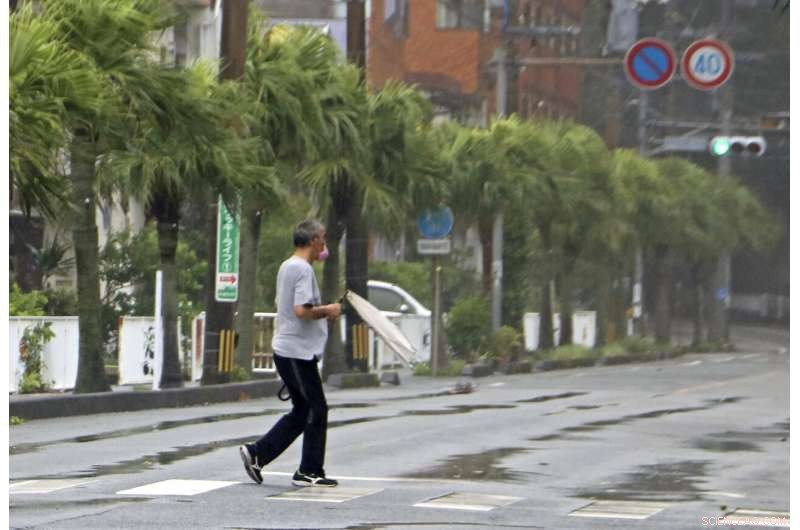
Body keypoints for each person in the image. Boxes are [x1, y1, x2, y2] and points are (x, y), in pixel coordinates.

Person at [239, 219, 342, 487]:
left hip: (293, 350)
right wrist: (328, 310)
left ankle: (257, 453)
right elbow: (301, 310)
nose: (325, 244)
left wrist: (321, 313)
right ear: (313, 240)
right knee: (315, 408)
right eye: (323, 238)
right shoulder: (302, 269)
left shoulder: (289, 265)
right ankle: (308, 470)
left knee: (303, 410)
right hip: (295, 351)